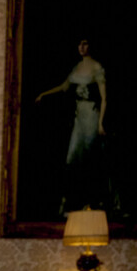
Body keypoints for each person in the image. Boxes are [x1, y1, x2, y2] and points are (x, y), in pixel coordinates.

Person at [35, 37, 107, 215]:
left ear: (91, 46)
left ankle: (90, 203)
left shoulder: (96, 67)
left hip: (91, 115)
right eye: (79, 44)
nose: (81, 47)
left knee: (90, 158)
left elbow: (104, 98)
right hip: (79, 116)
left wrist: (101, 123)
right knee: (72, 158)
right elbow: (64, 86)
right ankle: (70, 202)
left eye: (85, 43)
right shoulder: (76, 67)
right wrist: (44, 94)